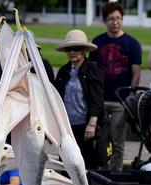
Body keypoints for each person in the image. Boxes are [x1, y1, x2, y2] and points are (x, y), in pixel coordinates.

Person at [89, 1, 142, 172]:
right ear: (104, 21)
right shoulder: (97, 42)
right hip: (100, 100)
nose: (115, 22)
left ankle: (116, 174)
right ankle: (100, 171)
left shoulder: (132, 44)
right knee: (100, 140)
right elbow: (91, 73)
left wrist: (130, 97)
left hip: (120, 100)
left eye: (119, 18)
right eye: (111, 19)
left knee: (118, 141)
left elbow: (136, 73)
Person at [53, 29, 104, 170]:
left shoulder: (92, 69)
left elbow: (97, 99)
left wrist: (92, 124)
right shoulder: (63, 71)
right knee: (66, 163)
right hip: (66, 126)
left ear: (84, 51)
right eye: (69, 49)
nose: (72, 52)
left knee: (86, 164)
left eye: (77, 49)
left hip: (85, 126)